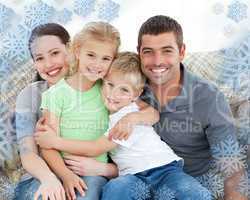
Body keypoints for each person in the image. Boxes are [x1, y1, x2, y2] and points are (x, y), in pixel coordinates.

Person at [34, 52, 212, 200]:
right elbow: (153, 113)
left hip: (163, 169)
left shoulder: (127, 115)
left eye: (124, 90)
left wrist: (55, 142)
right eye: (110, 85)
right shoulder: (106, 110)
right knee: (114, 190)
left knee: (192, 193)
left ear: (136, 94)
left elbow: (96, 148)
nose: (113, 94)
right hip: (131, 176)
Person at [37, 23, 159, 200]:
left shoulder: (110, 89)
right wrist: (65, 175)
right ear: (77, 52)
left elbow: (152, 113)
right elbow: (47, 144)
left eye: (105, 58)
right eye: (91, 55)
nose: (97, 64)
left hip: (94, 172)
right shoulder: (56, 94)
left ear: (113, 60)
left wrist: (132, 118)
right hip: (60, 169)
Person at [134, 15, 246, 200]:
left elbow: (231, 167)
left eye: (167, 50)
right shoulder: (128, 87)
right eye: (148, 52)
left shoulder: (208, 97)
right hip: (137, 179)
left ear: (182, 51)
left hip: (187, 185)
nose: (157, 61)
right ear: (139, 52)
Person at [14, 23, 117, 200]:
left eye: (55, 53)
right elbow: (28, 152)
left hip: (89, 171)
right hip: (41, 176)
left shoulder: (104, 87)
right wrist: (50, 178)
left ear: (71, 50)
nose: (48, 64)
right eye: (39, 58)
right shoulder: (31, 94)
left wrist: (107, 169)